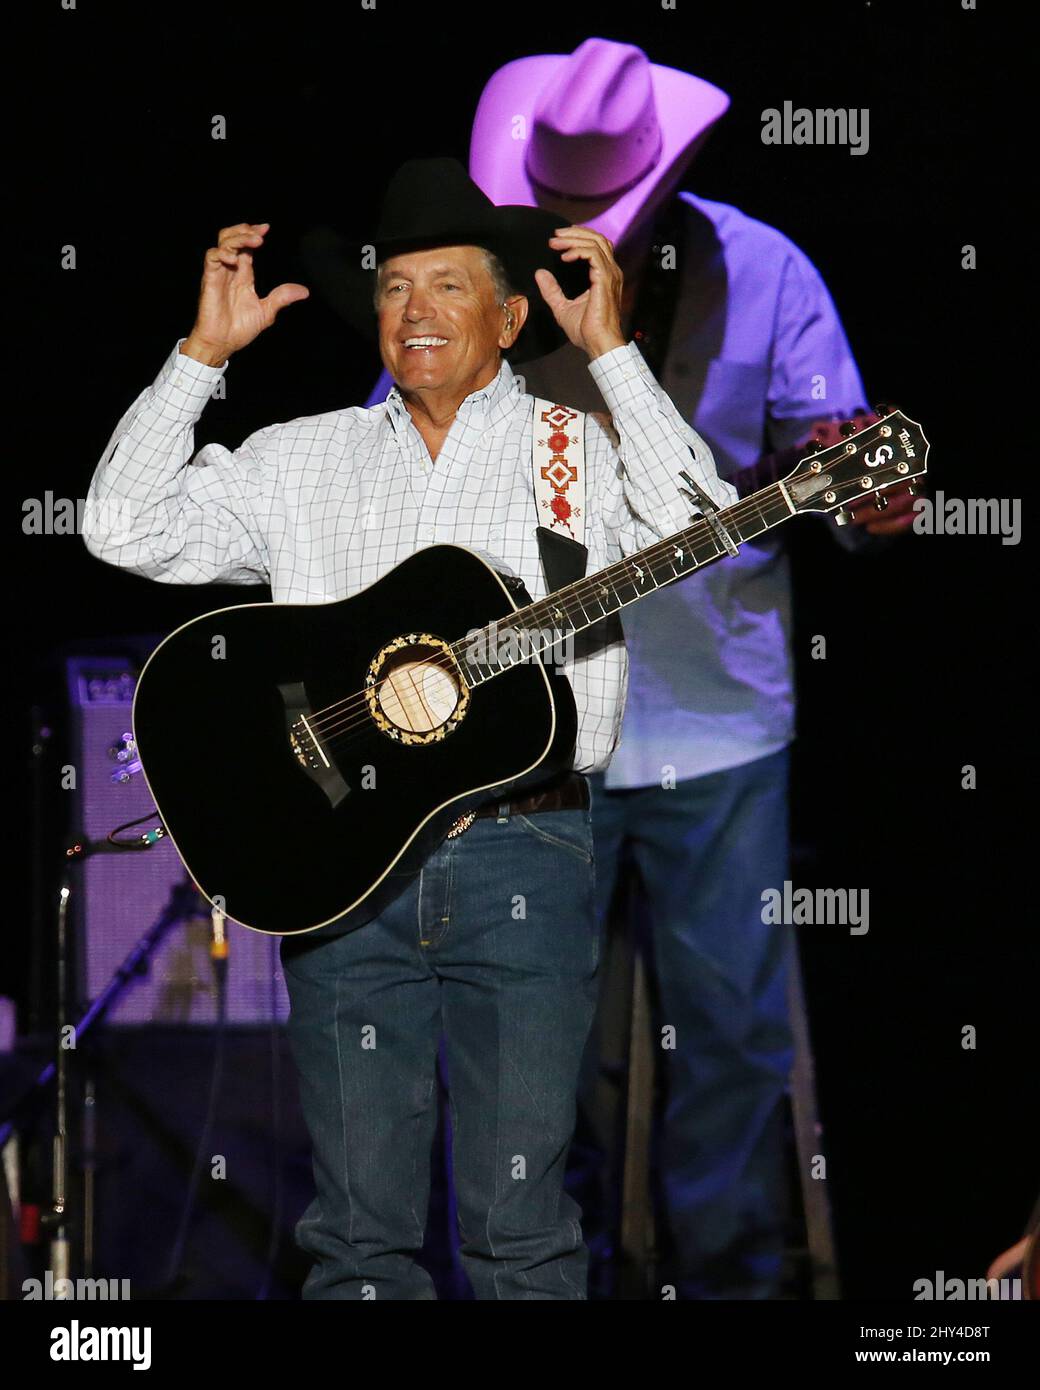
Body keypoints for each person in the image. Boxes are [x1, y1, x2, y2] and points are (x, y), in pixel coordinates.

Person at [81, 157, 736, 1299]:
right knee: (357, 1245)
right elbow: (123, 528)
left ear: (511, 313)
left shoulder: (571, 451)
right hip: (338, 868)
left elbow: (702, 519)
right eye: (393, 286)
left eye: (446, 285)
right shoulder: (305, 455)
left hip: (521, 851)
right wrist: (200, 360)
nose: (413, 310)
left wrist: (613, 360)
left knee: (520, 1233)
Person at [463, 38, 918, 1299]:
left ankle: (725, 1284)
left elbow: (838, 455)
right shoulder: (479, 286)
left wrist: (858, 503)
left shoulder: (766, 273)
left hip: (717, 729)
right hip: (535, 733)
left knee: (727, 1038)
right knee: (527, 1044)